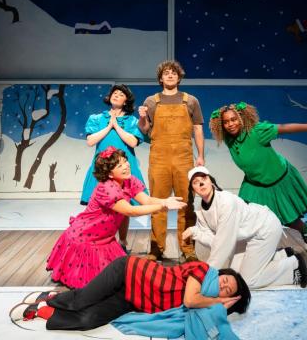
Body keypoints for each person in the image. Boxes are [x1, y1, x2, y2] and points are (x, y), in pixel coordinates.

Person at [46, 146, 186, 289]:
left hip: (105, 239)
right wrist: (164, 206)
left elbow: (147, 201)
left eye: (125, 161)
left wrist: (165, 201)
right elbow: (131, 211)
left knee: (120, 279)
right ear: (110, 174)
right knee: (97, 286)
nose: (126, 166)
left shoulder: (130, 180)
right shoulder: (106, 188)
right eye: (120, 165)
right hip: (86, 237)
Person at [10, 255, 250, 335]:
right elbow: (189, 300)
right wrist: (219, 301)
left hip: (131, 300)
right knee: (80, 300)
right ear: (222, 272)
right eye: (226, 281)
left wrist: (219, 307)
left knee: (87, 320)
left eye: (227, 291)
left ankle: (42, 311)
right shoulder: (204, 270)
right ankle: (50, 297)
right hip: (127, 272)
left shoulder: (206, 305)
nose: (222, 286)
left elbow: (205, 318)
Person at [209, 102, 307, 251]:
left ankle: (306, 229)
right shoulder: (229, 138)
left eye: (234, 119)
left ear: (241, 118)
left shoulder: (257, 131)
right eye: (226, 122)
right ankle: (257, 249)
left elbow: (284, 128)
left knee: (287, 218)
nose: (230, 124)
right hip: (254, 184)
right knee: (246, 215)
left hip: (277, 180)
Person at [183, 166, 307, 289]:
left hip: (265, 229)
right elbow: (213, 240)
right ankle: (280, 255)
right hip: (250, 235)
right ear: (193, 190)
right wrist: (195, 232)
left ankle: (293, 267)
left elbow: (222, 245)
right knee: (233, 267)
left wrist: (206, 277)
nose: (200, 183)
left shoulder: (226, 202)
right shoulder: (201, 210)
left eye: (203, 178)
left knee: (247, 281)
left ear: (211, 180)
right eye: (195, 182)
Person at [138, 60, 205, 262]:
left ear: (179, 77)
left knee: (186, 204)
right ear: (160, 78)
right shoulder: (152, 101)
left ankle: (188, 248)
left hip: (184, 158)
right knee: (157, 204)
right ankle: (157, 248)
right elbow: (144, 129)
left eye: (173, 73)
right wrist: (141, 118)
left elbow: (198, 129)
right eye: (166, 73)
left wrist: (200, 156)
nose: (170, 75)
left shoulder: (190, 100)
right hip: (159, 158)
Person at [80, 84, 147, 252]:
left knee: (124, 207)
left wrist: (117, 126)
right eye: (114, 93)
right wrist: (109, 126)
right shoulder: (96, 118)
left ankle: (122, 241)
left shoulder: (131, 121)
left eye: (121, 94)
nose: (116, 95)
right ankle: (100, 241)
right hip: (102, 169)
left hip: (124, 169)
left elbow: (133, 142)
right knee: (100, 206)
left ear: (126, 101)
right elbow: (90, 141)